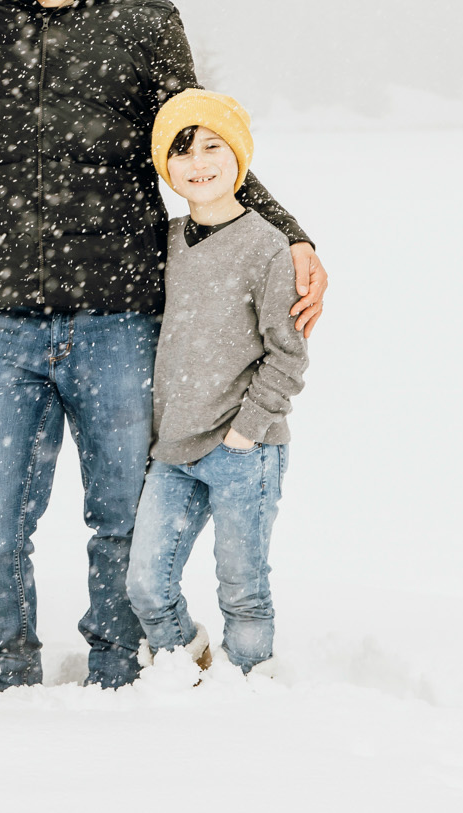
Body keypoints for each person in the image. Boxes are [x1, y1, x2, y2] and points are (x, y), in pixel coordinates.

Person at [0, 0, 329, 691]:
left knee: (120, 519)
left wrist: (290, 232)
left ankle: (122, 676)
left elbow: (203, 145)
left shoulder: (146, 22)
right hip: (1, 330)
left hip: (120, 320)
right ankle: (3, 682)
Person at [126, 90, 308, 676]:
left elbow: (288, 353)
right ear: (166, 167)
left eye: (213, 146)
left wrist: (247, 431)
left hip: (243, 450)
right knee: (147, 585)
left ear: (239, 158)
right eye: (182, 151)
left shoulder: (266, 245)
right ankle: (185, 663)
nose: (199, 162)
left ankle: (251, 688)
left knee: (243, 589)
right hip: (174, 447)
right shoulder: (169, 240)